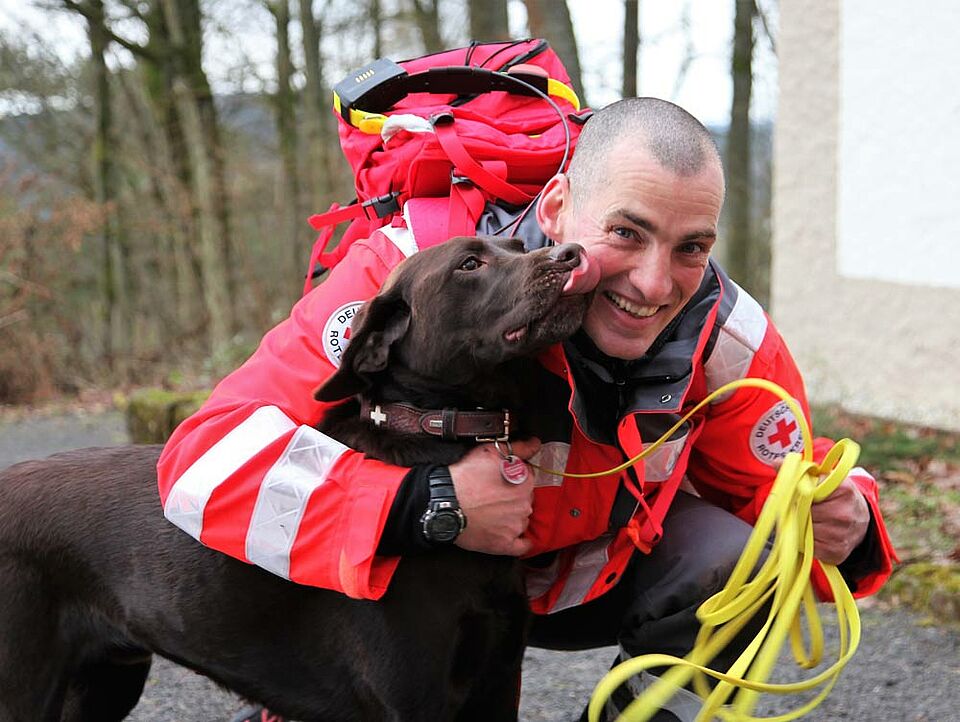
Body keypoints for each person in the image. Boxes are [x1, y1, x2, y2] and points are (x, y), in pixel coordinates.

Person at [157, 97, 896, 722]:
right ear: (558, 205)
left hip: (587, 580)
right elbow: (202, 461)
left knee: (747, 566)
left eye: (690, 248)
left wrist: (851, 518)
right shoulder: (411, 270)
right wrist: (428, 501)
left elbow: (790, 484)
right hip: (414, 580)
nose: (652, 282)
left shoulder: (729, 336)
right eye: (626, 233)